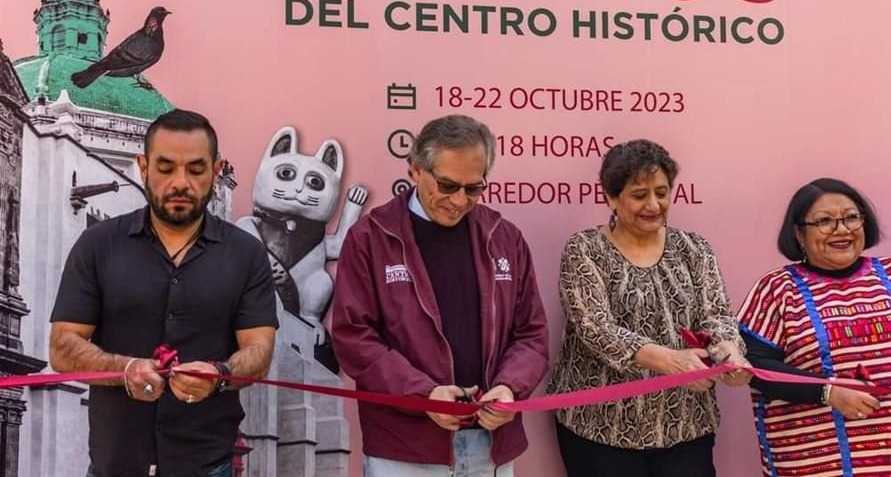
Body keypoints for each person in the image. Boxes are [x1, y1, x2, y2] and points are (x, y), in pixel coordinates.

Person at [49, 109, 278, 477]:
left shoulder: (246, 254)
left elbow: (260, 352)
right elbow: (63, 347)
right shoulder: (97, 245)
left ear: (216, 172)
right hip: (115, 464)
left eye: (196, 169)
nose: (180, 182)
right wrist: (124, 370)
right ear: (143, 166)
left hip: (206, 465)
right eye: (166, 167)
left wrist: (219, 374)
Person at [331, 114, 549, 477]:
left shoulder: (504, 236)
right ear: (415, 170)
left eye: (474, 188)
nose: (459, 200)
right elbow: (354, 337)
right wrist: (423, 395)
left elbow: (531, 334)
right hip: (404, 450)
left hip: (492, 445)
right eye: (447, 185)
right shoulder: (371, 236)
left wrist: (510, 388)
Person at [548, 139, 750, 477]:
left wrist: (729, 352)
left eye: (662, 192)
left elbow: (716, 316)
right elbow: (595, 328)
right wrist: (671, 361)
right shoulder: (584, 249)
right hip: (600, 430)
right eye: (640, 195)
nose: (654, 204)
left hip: (685, 426)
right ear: (611, 197)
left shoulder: (694, 248)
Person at [738, 177, 891, 477]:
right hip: (811, 463)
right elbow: (754, 366)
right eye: (824, 221)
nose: (841, 229)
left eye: (851, 217)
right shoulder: (777, 289)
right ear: (799, 234)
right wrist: (828, 392)